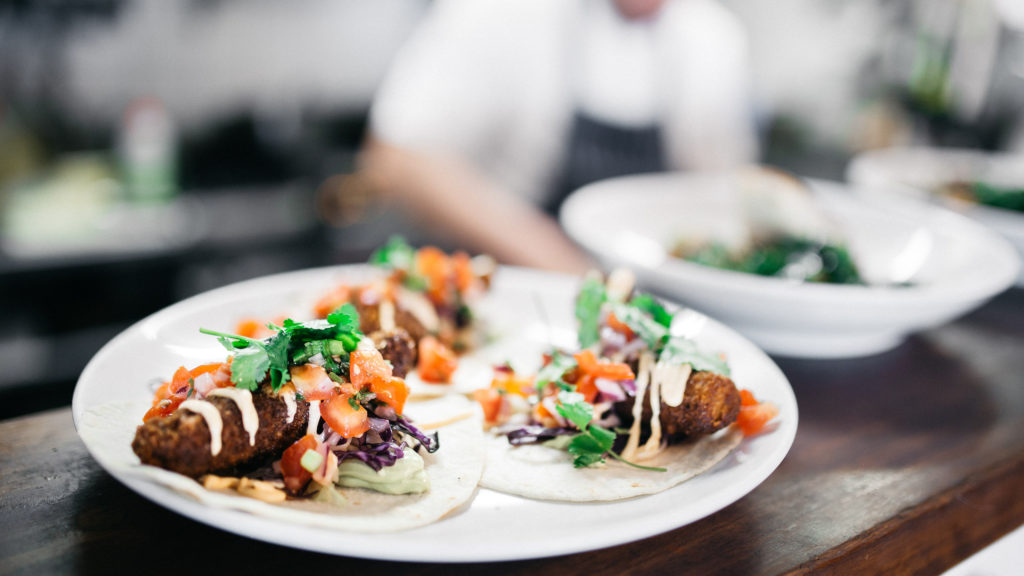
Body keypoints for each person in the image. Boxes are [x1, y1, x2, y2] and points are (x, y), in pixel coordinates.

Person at [349, 0, 758, 272]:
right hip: (501, 286)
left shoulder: (714, 37)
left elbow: (718, 196)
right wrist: (566, 267)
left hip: (646, 294)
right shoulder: (501, 12)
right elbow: (397, 155)